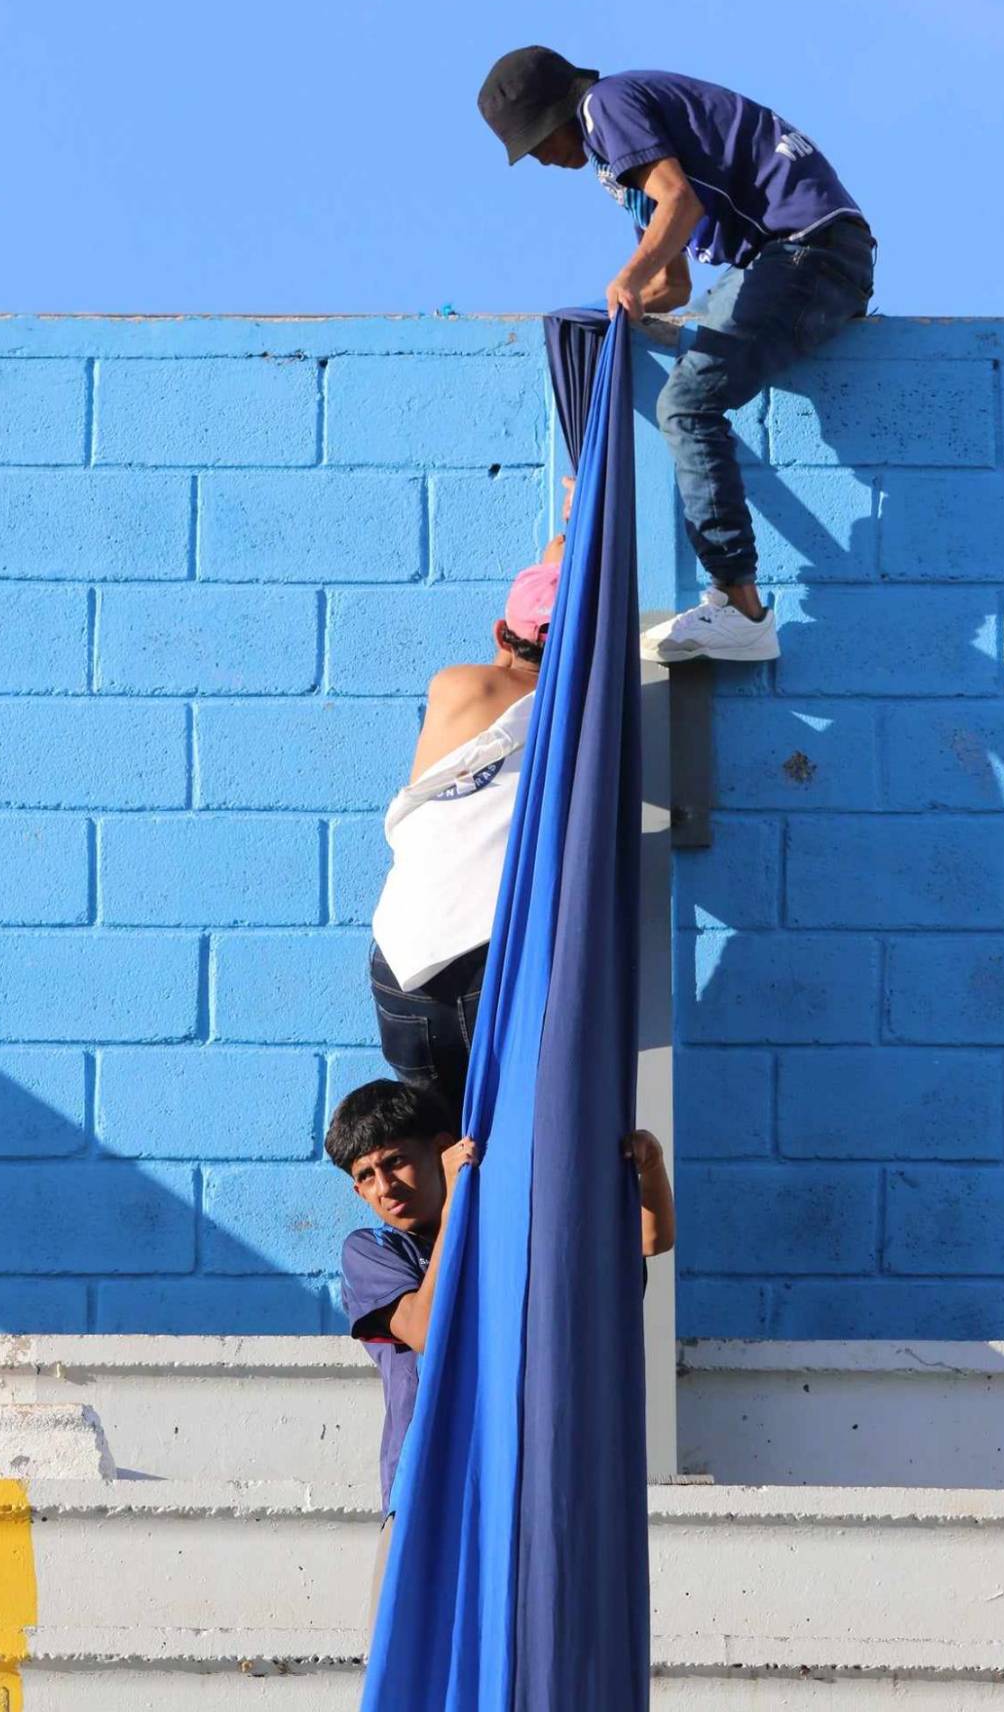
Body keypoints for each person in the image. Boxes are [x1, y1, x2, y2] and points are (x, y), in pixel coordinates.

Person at [478, 46, 876, 665]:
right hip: (801, 259)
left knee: (686, 405)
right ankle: (736, 601)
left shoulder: (605, 107)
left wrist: (626, 278)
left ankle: (740, 607)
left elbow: (681, 206)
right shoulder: (622, 158)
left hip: (806, 251)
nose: (541, 159)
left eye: (535, 143)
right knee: (689, 358)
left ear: (556, 114)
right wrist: (611, 322)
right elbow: (672, 285)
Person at [325, 1077, 676, 1620]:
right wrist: (455, 1209)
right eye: (365, 1176)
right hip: (426, 1488)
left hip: (521, 1478)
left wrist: (650, 1170)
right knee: (413, 1646)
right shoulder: (373, 1249)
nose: (384, 1187)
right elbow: (425, 1328)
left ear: (444, 1149)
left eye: (395, 1161)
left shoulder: (508, 1231)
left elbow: (649, 1239)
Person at [368, 547, 563, 1116]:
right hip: (493, 953)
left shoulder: (456, 687)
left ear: (501, 634)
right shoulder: (579, 710)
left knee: (440, 1139)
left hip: (403, 955)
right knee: (514, 1132)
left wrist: (555, 554)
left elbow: (508, 674)